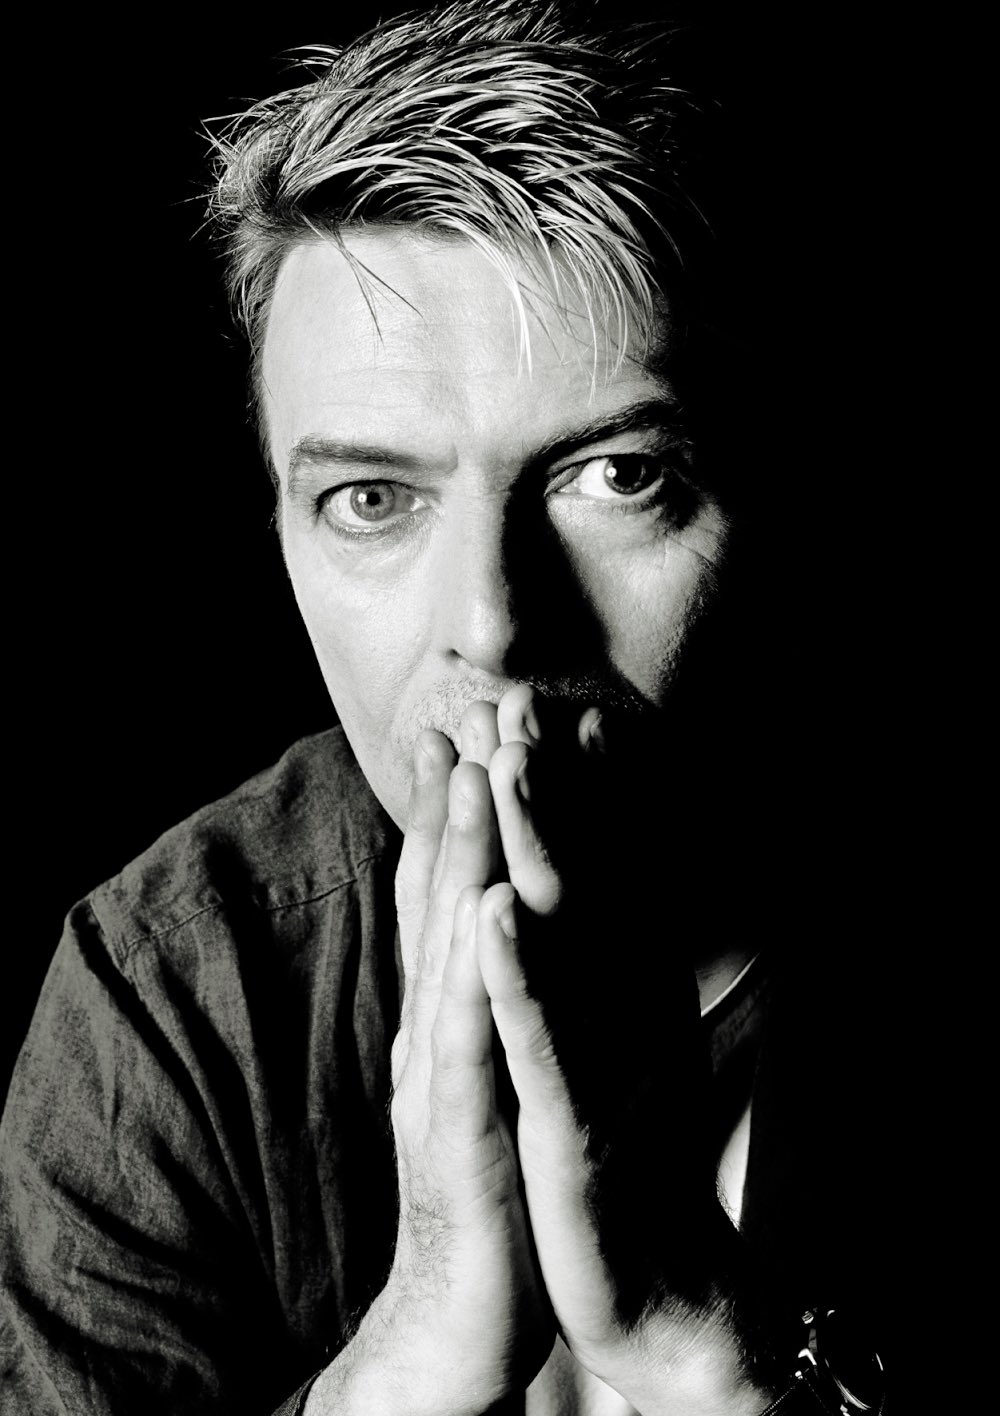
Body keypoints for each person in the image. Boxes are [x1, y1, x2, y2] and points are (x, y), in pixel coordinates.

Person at [0, 3, 890, 1412]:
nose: (492, 622)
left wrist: (713, 1353)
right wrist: (415, 1347)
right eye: (373, 499)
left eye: (620, 476)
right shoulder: (176, 995)